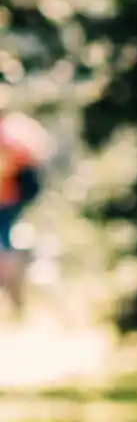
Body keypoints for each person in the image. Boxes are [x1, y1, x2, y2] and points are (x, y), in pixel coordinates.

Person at [0, 110, 47, 318]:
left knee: (5, 247)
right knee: (6, 244)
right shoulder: (15, 130)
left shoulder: (7, 137)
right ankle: (15, 298)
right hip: (12, 199)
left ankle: (13, 294)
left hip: (6, 199)